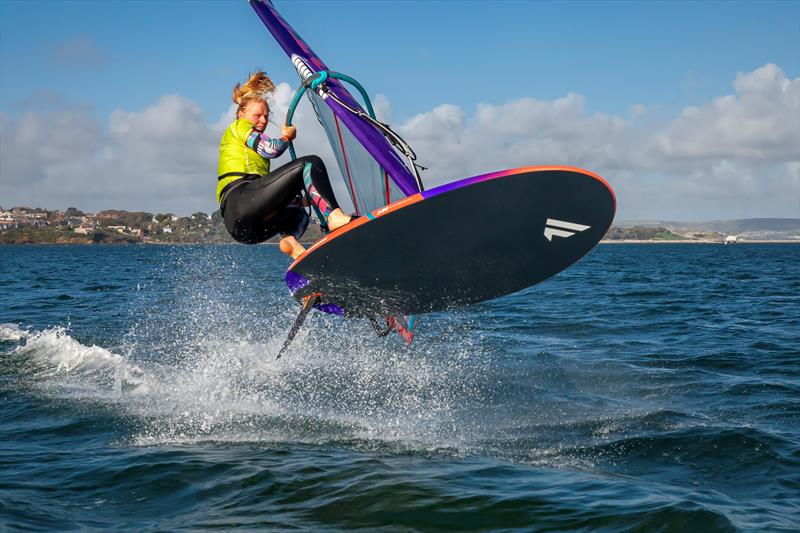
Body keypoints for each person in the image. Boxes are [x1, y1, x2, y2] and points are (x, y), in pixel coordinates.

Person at [216, 70, 351, 258]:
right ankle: (334, 216)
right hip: (241, 202)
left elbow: (271, 194)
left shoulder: (246, 146)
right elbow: (271, 149)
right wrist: (287, 136)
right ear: (240, 114)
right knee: (310, 163)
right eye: (258, 115)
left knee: (300, 212)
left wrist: (307, 197)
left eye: (266, 116)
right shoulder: (239, 126)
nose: (263, 120)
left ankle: (290, 242)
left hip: (245, 230)